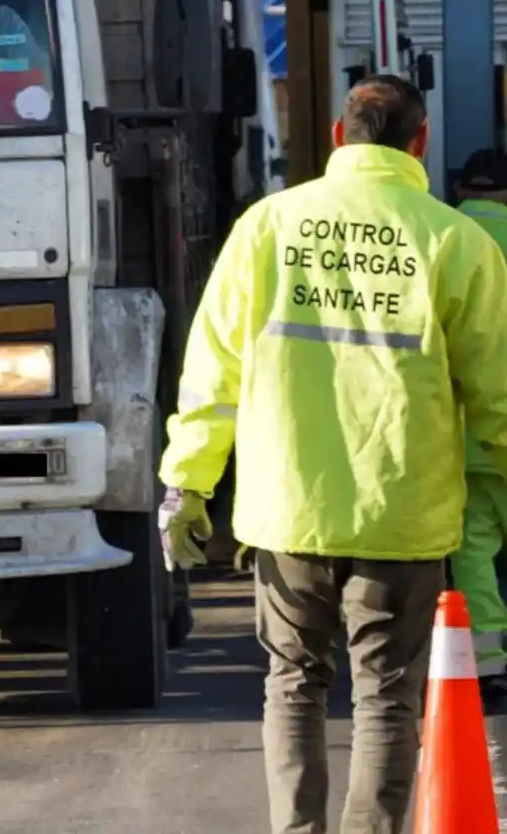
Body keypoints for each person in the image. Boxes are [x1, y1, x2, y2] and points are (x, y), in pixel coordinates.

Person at [157, 74, 507, 834]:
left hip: (289, 511)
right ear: (419, 142)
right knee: (385, 694)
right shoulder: (456, 241)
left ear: (339, 136)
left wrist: (187, 483)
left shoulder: (267, 227)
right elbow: (498, 394)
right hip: (401, 514)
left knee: (293, 684)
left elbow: (213, 370)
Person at [449, 147, 507, 707]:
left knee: (472, 551)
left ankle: (489, 662)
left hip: (465, 436)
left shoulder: (443, 237)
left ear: (463, 188)